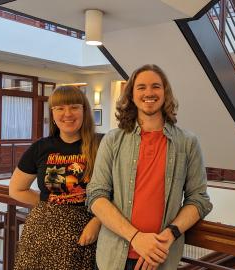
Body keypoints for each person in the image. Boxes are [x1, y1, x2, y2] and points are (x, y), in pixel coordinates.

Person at [86, 64, 213, 270]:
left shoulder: (187, 142)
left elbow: (199, 199)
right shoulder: (112, 140)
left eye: (156, 86)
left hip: (161, 258)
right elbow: (96, 195)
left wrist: (168, 235)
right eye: (141, 87)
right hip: (114, 257)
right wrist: (136, 238)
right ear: (131, 94)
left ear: (165, 93)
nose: (149, 93)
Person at [9, 85, 100, 270]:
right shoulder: (40, 147)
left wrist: (98, 221)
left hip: (85, 233)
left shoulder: (102, 144)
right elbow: (16, 189)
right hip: (41, 233)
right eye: (60, 108)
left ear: (84, 110)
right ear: (53, 113)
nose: (67, 113)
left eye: (74, 107)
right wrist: (51, 204)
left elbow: (118, 193)